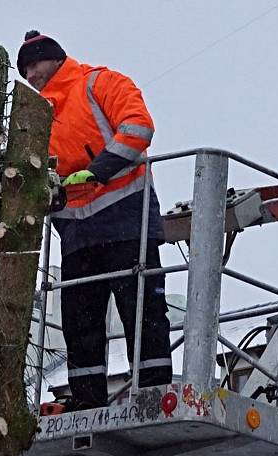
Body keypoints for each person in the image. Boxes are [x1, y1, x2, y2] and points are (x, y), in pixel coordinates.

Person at [17, 30, 173, 410]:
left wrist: (99, 169)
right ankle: (86, 401)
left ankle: (153, 391)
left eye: (35, 64)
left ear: (55, 58)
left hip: (126, 218)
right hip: (77, 232)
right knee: (78, 322)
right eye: (25, 71)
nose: (31, 75)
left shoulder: (100, 83)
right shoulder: (35, 118)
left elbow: (138, 127)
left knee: (140, 311)